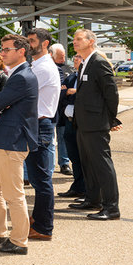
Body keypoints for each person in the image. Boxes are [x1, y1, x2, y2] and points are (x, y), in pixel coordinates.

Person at [0, 34, 38, 255]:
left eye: (6, 49)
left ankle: (19, 241)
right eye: (2, 49)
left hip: (12, 142)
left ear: (21, 51)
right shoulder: (17, 75)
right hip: (6, 140)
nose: (2, 53)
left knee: (14, 195)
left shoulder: (22, 77)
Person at [68, 29, 122, 220]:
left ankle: (111, 207)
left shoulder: (98, 63)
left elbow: (111, 93)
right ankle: (93, 199)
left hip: (96, 124)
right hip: (83, 123)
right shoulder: (84, 63)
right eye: (74, 39)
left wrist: (110, 119)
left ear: (91, 42)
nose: (74, 42)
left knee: (102, 165)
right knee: (88, 163)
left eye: (78, 39)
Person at [23, 29, 61, 241]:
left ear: (45, 43)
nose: (29, 45)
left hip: (39, 125)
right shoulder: (38, 65)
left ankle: (44, 227)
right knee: (39, 179)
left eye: (32, 41)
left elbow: (21, 91)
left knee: (41, 181)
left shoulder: (44, 68)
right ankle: (38, 221)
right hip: (37, 125)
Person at [56, 54, 87, 198]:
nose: (75, 59)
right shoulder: (71, 78)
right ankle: (78, 187)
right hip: (69, 121)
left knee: (84, 157)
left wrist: (71, 93)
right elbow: (60, 95)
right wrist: (67, 92)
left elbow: (85, 97)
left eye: (79, 57)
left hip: (82, 123)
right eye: (75, 57)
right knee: (74, 156)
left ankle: (87, 189)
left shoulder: (87, 78)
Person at [50, 43, 75, 176]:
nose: (63, 59)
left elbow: (66, 88)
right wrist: (63, 91)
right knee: (49, 140)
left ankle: (64, 163)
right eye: (60, 56)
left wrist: (64, 91)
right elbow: (58, 90)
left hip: (63, 109)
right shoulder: (51, 68)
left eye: (64, 56)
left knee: (63, 137)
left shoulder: (67, 69)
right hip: (51, 109)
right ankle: (51, 164)